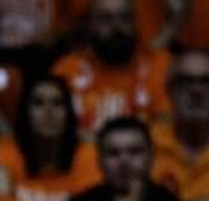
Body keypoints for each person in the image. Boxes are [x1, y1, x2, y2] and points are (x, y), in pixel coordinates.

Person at [50, 0, 171, 135]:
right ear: (90, 24)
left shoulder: (159, 64)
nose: (117, 26)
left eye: (125, 18)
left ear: (135, 22)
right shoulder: (67, 69)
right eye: (106, 19)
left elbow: (165, 126)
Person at [150, 49, 209, 201]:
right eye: (185, 81)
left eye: (206, 81)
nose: (196, 90)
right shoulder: (145, 143)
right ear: (169, 90)